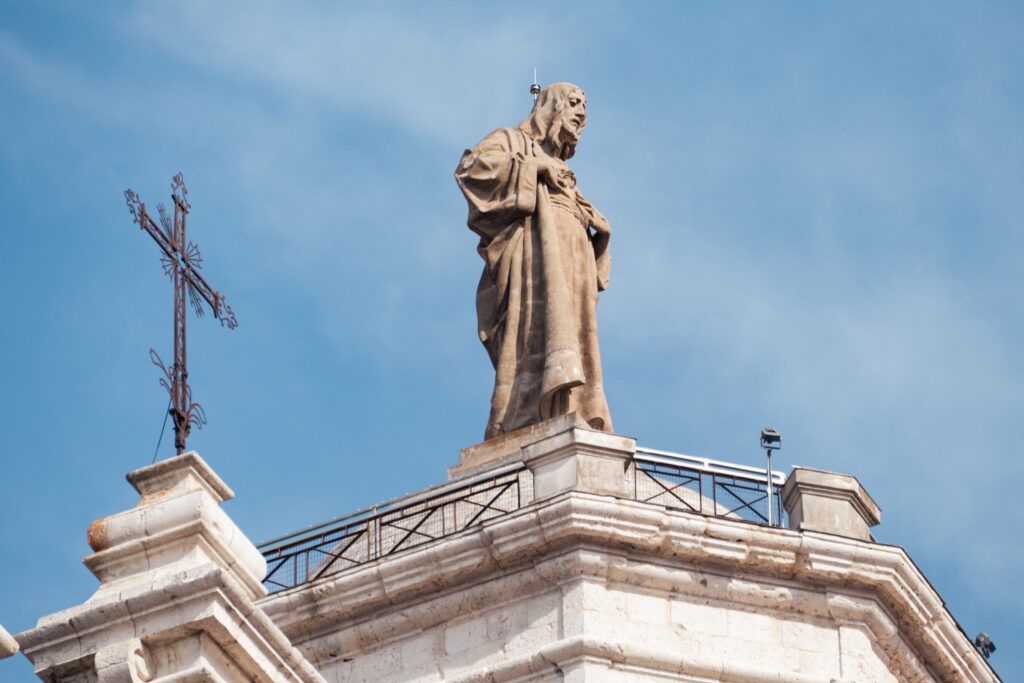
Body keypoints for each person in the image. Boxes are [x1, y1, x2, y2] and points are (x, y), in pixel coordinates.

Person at [455, 82, 613, 439]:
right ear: (551, 107)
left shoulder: (565, 172)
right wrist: (535, 168)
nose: (580, 114)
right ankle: (520, 418)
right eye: (573, 104)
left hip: (571, 258)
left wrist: (599, 233)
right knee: (534, 331)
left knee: (575, 332)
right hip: (533, 256)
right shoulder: (512, 142)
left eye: (583, 109)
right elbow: (471, 168)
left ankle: (577, 409)